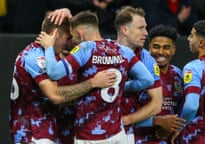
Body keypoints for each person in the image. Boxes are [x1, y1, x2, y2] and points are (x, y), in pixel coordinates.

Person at [36, 10, 154, 143]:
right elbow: (148, 80)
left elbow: (53, 72)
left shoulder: (86, 48)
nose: (72, 41)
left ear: (80, 34)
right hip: (117, 133)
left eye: (73, 36)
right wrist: (122, 86)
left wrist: (48, 48)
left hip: (89, 134)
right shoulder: (123, 50)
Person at [9, 13, 116, 144]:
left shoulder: (60, 57)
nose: (71, 41)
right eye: (68, 37)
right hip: (35, 132)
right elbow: (55, 95)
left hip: (63, 131)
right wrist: (92, 83)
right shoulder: (34, 57)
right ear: (54, 34)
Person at [114, 6, 163, 142]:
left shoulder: (147, 59)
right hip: (96, 130)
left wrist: (127, 119)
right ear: (125, 30)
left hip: (126, 132)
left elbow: (157, 103)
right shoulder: (102, 51)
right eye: (141, 28)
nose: (146, 33)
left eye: (145, 28)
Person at [134, 24, 186, 143]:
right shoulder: (138, 73)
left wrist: (171, 127)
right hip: (140, 139)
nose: (161, 52)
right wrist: (159, 122)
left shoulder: (179, 74)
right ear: (149, 48)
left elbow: (182, 110)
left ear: (173, 50)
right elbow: (126, 116)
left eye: (166, 47)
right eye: (156, 47)